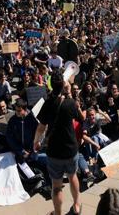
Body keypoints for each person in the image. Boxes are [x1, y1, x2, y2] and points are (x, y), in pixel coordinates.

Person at [34, 73, 84, 215]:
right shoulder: (70, 103)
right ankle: (77, 205)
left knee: (56, 186)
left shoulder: (48, 103)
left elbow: (41, 128)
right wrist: (71, 94)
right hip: (71, 149)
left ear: (50, 86)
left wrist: (36, 141)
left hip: (54, 152)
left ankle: (57, 213)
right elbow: (80, 118)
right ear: (63, 85)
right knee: (72, 176)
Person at [6, 99, 39, 163]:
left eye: (19, 110)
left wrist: (31, 150)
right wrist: (21, 150)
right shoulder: (12, 120)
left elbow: (37, 135)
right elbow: (9, 137)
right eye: (15, 110)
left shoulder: (32, 119)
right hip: (19, 152)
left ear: (25, 109)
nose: (16, 112)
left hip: (31, 151)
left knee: (35, 162)